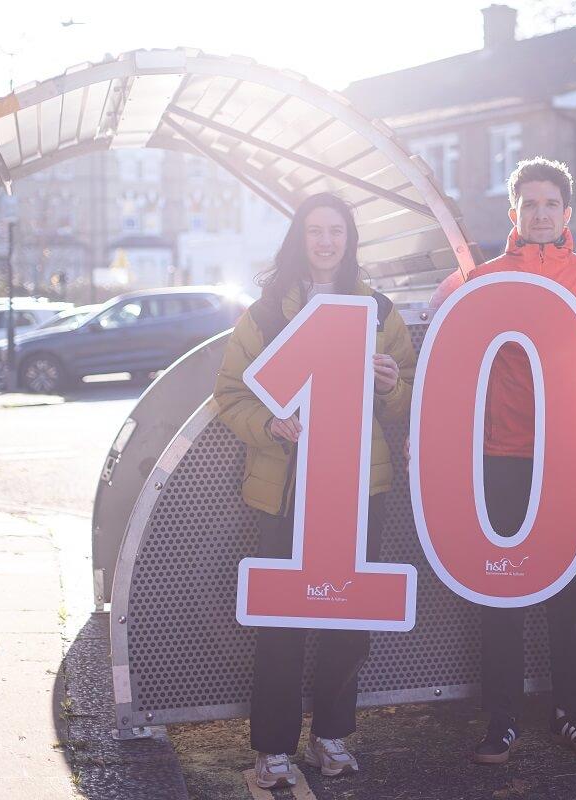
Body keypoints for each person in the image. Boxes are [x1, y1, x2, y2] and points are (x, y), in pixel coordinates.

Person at [214, 192, 416, 789]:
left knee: (349, 617)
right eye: (315, 231)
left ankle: (332, 734)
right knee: (281, 622)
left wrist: (388, 384)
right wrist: (271, 425)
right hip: (286, 490)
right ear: (299, 239)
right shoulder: (266, 314)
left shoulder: (378, 312)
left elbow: (409, 396)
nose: (326, 241)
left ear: (350, 239)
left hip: (357, 489)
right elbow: (230, 396)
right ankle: (272, 750)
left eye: (336, 231)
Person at [467, 157, 576, 765]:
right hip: (502, 460)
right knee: (502, 593)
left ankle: (573, 714)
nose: (540, 214)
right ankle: (502, 720)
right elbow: (454, 365)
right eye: (530, 203)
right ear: (512, 212)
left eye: (551, 204)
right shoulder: (482, 281)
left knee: (572, 597)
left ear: (567, 214)